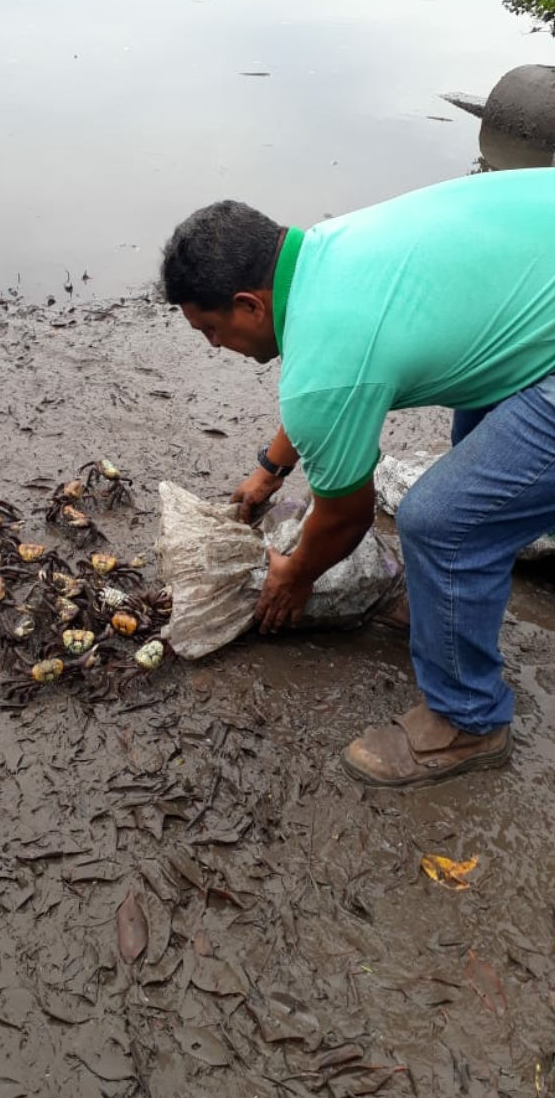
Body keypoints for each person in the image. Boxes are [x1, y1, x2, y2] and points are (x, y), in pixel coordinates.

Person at [160, 169, 555, 788]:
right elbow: (329, 388)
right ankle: (448, 608)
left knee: (444, 521)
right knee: (477, 460)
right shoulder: (326, 250)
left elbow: (346, 517)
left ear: (248, 305)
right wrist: (271, 470)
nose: (214, 346)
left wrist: (296, 575)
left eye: (210, 330)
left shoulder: (322, 366)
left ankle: (468, 722)